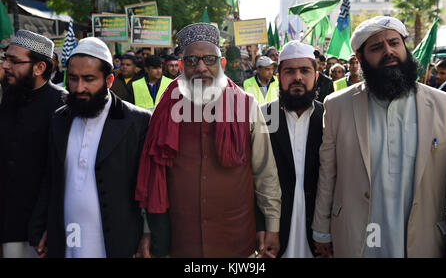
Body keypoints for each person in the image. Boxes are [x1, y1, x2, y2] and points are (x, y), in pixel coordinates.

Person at [135, 23, 282, 258]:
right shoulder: (163, 111)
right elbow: (153, 177)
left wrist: (272, 226)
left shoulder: (247, 106)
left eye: (210, 60)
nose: (201, 67)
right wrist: (147, 229)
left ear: (222, 64)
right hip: (180, 242)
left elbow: (265, 174)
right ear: (182, 66)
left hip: (237, 240)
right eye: (192, 61)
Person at [312, 16, 446, 258]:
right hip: (359, 238)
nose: (388, 51)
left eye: (394, 43)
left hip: (422, 240)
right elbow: (328, 173)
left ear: (405, 47)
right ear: (361, 57)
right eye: (376, 47)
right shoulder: (337, 106)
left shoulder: (444, 106)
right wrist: (321, 230)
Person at [28, 37, 151, 258]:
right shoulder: (59, 119)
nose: (78, 87)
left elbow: (148, 186)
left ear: (109, 80)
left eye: (89, 79)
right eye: (73, 79)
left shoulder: (137, 121)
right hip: (68, 239)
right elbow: (50, 179)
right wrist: (43, 228)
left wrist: (147, 235)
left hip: (117, 242)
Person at [0, 30, 66, 258]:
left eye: (14, 61)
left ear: (39, 68)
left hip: (41, 231)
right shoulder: (8, 97)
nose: (6, 66)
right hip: (8, 223)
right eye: (5, 58)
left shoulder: (62, 104)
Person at [260, 41, 324, 258]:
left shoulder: (330, 117)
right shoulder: (261, 116)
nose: (297, 77)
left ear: (315, 76)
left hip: (319, 236)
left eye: (305, 70)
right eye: (289, 71)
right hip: (274, 234)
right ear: (279, 77)